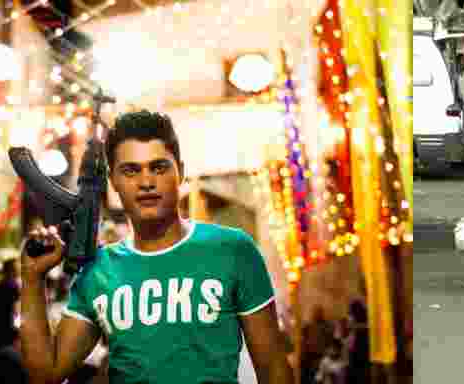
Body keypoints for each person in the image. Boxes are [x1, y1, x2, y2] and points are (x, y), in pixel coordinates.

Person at [19, 110, 294, 384]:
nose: (146, 182)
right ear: (113, 181)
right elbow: (46, 374)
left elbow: (273, 368)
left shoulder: (233, 250)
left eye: (159, 167)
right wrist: (32, 278)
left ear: (181, 172)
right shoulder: (99, 271)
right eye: (131, 171)